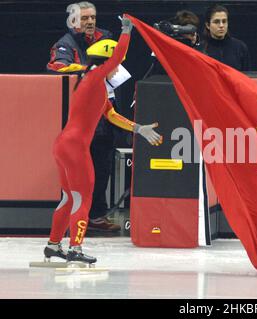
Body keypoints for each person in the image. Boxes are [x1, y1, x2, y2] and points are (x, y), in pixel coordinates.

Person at [44, 16, 163, 264]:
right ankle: (75, 249)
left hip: (64, 145)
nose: (119, 69)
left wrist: (139, 128)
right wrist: (127, 30)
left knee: (68, 198)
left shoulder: (94, 84)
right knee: (82, 199)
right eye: (115, 65)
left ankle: (54, 245)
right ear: (106, 61)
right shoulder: (96, 76)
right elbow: (118, 57)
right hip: (76, 148)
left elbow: (112, 115)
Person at [47, 2, 123, 232]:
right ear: (73, 20)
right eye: (84, 18)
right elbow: (56, 66)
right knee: (77, 178)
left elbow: (116, 61)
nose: (90, 22)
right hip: (80, 118)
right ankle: (74, 221)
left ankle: (96, 215)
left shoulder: (106, 37)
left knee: (102, 168)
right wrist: (87, 69)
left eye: (92, 17)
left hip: (105, 111)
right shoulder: (65, 44)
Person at [147, 10, 202, 77]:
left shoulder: (201, 53)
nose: (194, 36)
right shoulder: (165, 53)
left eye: (194, 32)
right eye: (189, 33)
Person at [202, 4, 250, 71]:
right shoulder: (200, 49)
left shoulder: (240, 47)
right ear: (207, 25)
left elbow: (246, 76)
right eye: (216, 22)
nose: (221, 25)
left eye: (224, 21)